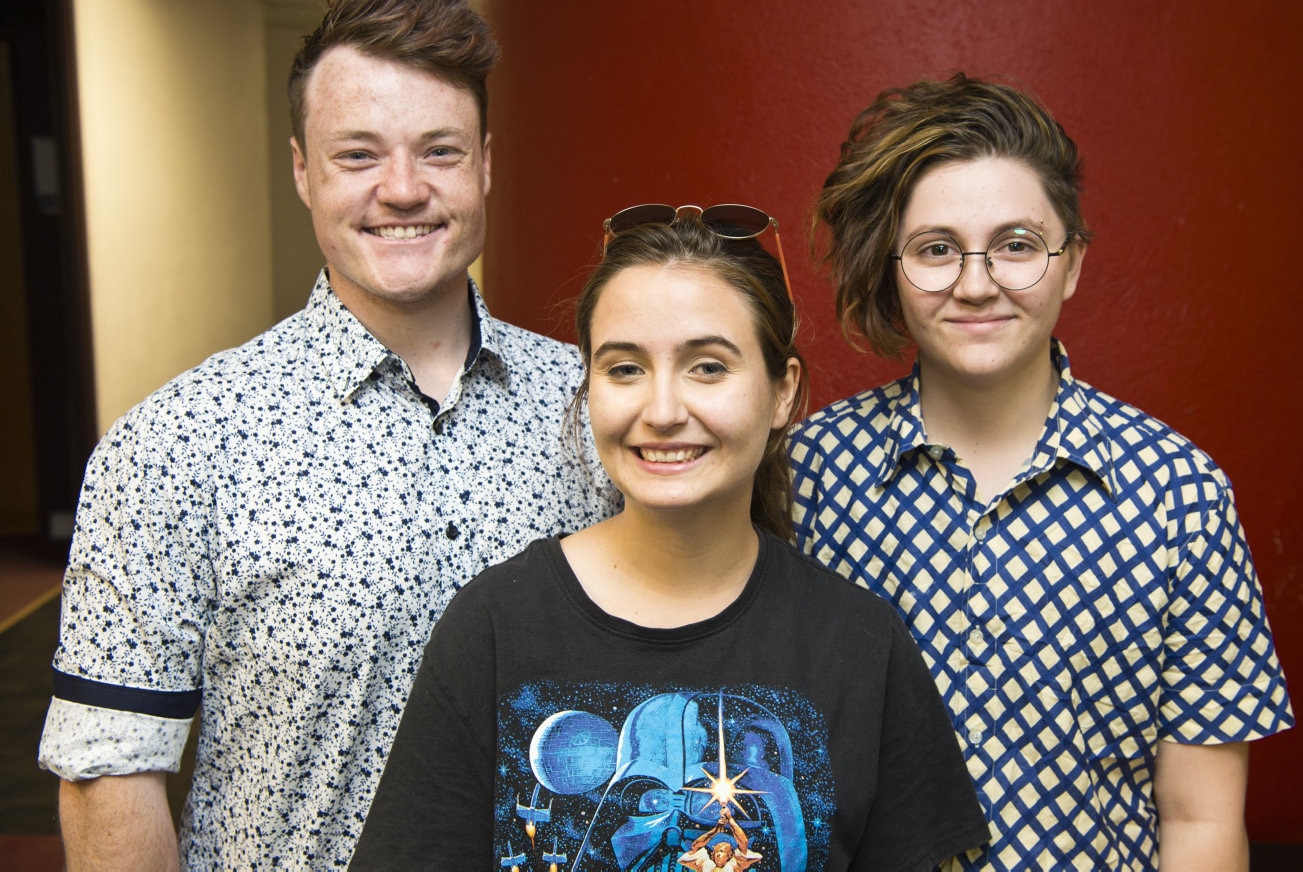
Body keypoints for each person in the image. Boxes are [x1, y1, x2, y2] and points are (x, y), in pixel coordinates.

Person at [37, 0, 616, 869]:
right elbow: (111, 772)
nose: (401, 189)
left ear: (487, 165)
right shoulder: (176, 444)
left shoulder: (596, 413)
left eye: (440, 151)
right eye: (357, 155)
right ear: (303, 171)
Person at [349, 209, 990, 870]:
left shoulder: (861, 647)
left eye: (707, 367)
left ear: (781, 392)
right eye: (624, 369)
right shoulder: (494, 627)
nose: (661, 411)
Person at [787, 74, 1294, 871]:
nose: (977, 282)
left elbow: (1200, 821)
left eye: (1017, 245)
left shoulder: (1179, 494)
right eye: (935, 249)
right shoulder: (809, 477)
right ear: (894, 268)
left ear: (1072, 264)